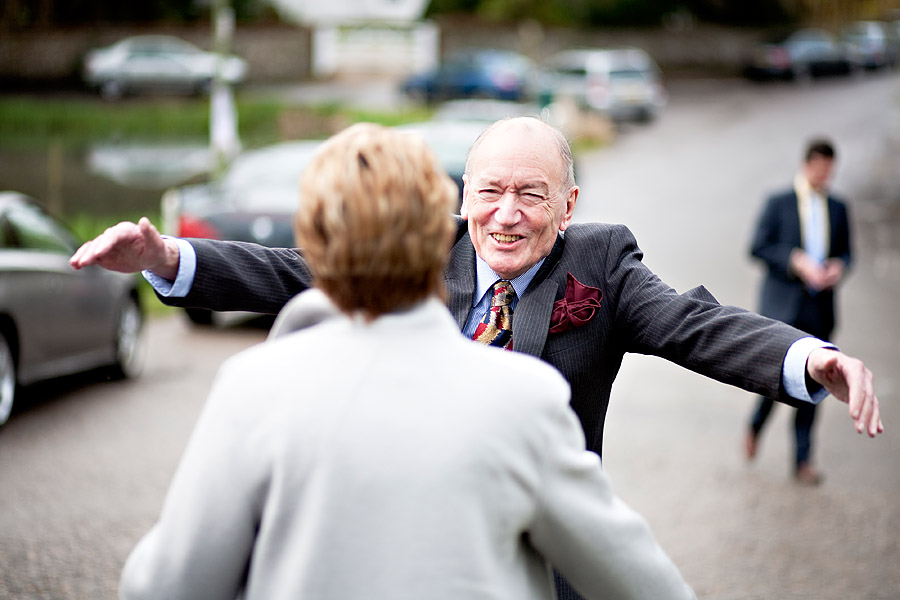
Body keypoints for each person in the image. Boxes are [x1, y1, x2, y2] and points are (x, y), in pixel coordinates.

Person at [73, 116, 881, 600]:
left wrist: (807, 357)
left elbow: (690, 323)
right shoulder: (422, 253)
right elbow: (294, 268)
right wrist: (165, 257)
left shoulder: (603, 267)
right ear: (461, 199)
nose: (506, 214)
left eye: (533, 195)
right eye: (490, 191)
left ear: (568, 207)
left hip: (545, 556)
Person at [744, 138, 852, 485]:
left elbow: (848, 253)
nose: (826, 176)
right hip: (782, 309)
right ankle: (756, 425)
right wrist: (794, 260)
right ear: (808, 165)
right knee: (774, 384)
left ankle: (803, 461)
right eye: (821, 169)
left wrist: (839, 267)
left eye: (831, 171)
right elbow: (757, 247)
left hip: (819, 310)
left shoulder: (838, 207)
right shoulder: (778, 203)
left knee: (812, 386)